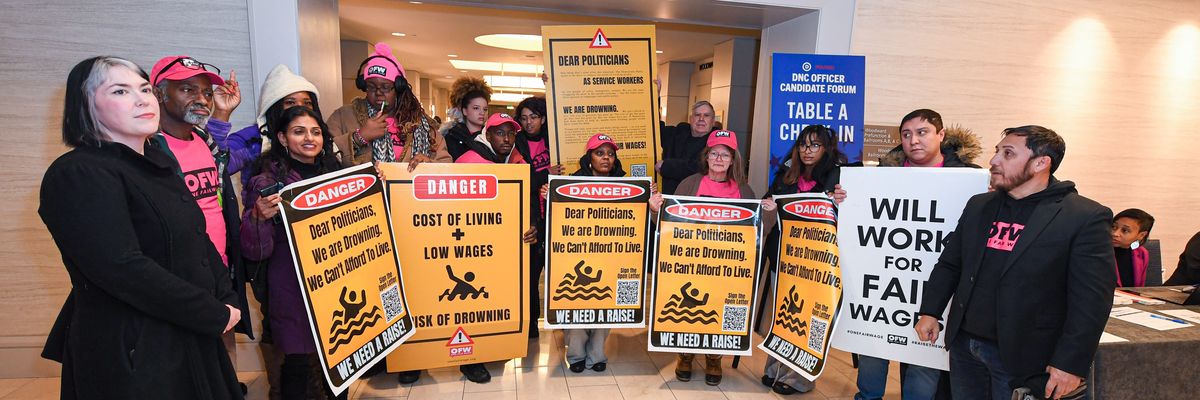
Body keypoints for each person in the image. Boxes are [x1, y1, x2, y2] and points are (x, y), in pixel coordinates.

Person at [40, 56, 243, 399]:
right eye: (120, 91)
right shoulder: (79, 172)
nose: (141, 99)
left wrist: (226, 296)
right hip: (134, 346)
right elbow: (122, 267)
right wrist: (211, 312)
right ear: (86, 105)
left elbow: (197, 237)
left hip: (190, 331)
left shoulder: (158, 163)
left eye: (145, 89)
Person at [914, 125, 1114, 400]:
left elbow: (1091, 301)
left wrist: (1070, 363)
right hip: (965, 346)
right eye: (997, 152)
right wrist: (930, 311)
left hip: (1026, 356)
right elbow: (951, 264)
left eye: (1008, 154)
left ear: (1041, 163)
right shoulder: (979, 205)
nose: (994, 161)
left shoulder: (1083, 217)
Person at [854, 108, 981, 400]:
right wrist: (847, 198)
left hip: (937, 289)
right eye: (907, 134)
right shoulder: (882, 175)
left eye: (922, 132)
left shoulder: (969, 178)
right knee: (873, 351)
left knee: (925, 360)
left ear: (941, 135)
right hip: (884, 287)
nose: (914, 141)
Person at [148, 55, 253, 387]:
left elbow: (223, 173)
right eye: (188, 90)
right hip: (176, 272)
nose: (202, 99)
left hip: (219, 268)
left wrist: (222, 111)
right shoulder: (148, 149)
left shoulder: (205, 142)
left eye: (206, 92)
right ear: (159, 93)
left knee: (223, 347)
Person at [649, 130, 776, 386]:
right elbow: (667, 223)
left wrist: (770, 214)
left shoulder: (744, 190)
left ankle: (714, 358)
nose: (719, 158)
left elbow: (757, 230)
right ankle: (685, 355)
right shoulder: (688, 184)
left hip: (726, 267)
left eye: (725, 154)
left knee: (716, 306)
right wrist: (654, 210)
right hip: (689, 263)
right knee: (687, 308)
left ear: (733, 160)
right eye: (714, 153)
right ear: (706, 157)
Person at [241, 106, 346, 399]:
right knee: (297, 367)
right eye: (299, 132)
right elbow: (254, 249)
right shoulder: (266, 183)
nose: (309, 138)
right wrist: (258, 218)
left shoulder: (337, 174)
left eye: (315, 132)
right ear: (283, 138)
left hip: (336, 284)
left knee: (338, 364)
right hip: (293, 289)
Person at [755, 125, 842, 395]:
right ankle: (776, 368)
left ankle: (801, 378)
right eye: (803, 144)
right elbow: (768, 206)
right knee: (784, 314)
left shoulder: (839, 177)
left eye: (815, 145)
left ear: (826, 149)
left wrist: (841, 203)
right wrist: (767, 205)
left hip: (817, 263)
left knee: (809, 317)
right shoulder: (785, 173)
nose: (807, 150)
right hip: (783, 257)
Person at [560, 133, 625, 373]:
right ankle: (576, 355)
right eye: (600, 153)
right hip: (578, 256)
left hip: (611, 256)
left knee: (605, 305)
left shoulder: (627, 185)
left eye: (610, 153)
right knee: (577, 304)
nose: (606, 158)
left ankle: (597, 355)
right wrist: (549, 196)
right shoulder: (569, 184)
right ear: (589, 159)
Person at [329, 42, 449, 167]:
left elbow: (446, 164)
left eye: (385, 87)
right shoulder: (343, 116)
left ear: (398, 88)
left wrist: (430, 163)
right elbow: (324, 157)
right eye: (371, 87)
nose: (378, 93)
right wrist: (359, 137)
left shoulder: (423, 125)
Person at [513, 96, 560, 337]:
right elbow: (518, 179)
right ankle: (530, 325)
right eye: (523, 118)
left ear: (543, 118)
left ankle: (562, 321)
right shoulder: (515, 142)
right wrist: (546, 174)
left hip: (556, 218)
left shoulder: (557, 141)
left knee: (560, 272)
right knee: (530, 275)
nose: (528, 122)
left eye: (533, 117)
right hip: (530, 218)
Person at [657, 100, 716, 195]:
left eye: (706, 115)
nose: (701, 118)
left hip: (694, 200)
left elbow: (701, 168)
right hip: (666, 197)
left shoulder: (717, 141)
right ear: (690, 119)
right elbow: (654, 128)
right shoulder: (678, 132)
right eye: (697, 115)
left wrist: (666, 166)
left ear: (713, 121)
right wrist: (655, 94)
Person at [441, 77, 492, 160]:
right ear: (464, 110)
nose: (482, 113)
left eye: (485, 109)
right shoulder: (451, 136)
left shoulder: (490, 135)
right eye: (476, 108)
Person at [1111, 208, 1155, 287]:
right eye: (1114, 227)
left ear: (1141, 235)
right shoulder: (1098, 250)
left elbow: (1139, 288)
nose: (1115, 233)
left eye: (1125, 230)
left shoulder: (1142, 253)